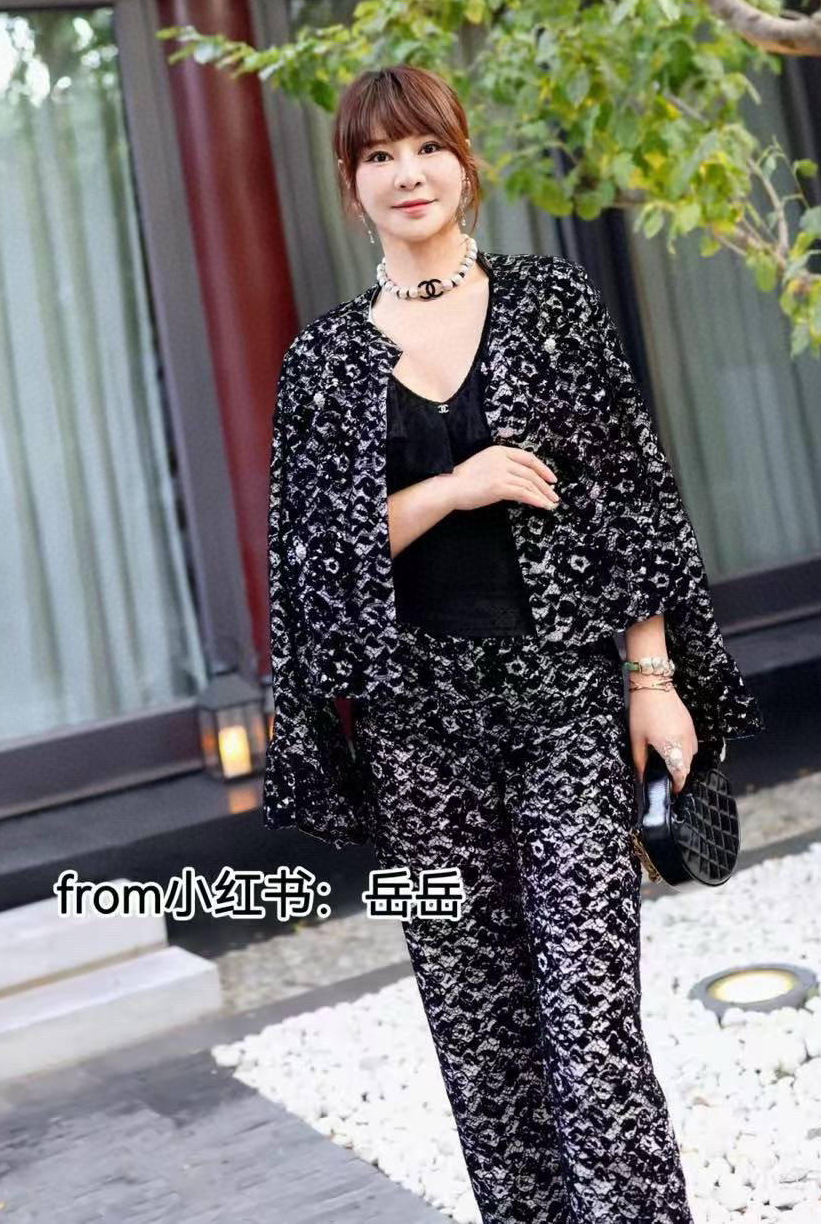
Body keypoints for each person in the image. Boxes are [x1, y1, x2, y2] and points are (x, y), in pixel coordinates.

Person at [262, 63, 766, 1224]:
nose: (406, 173)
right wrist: (452, 486)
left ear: (463, 162)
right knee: (479, 1033)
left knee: (590, 1019)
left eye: (425, 147)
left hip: (564, 706)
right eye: (377, 156)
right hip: (416, 736)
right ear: (349, 183)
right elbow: (313, 559)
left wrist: (651, 677)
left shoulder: (550, 304)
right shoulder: (322, 361)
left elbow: (628, 497)